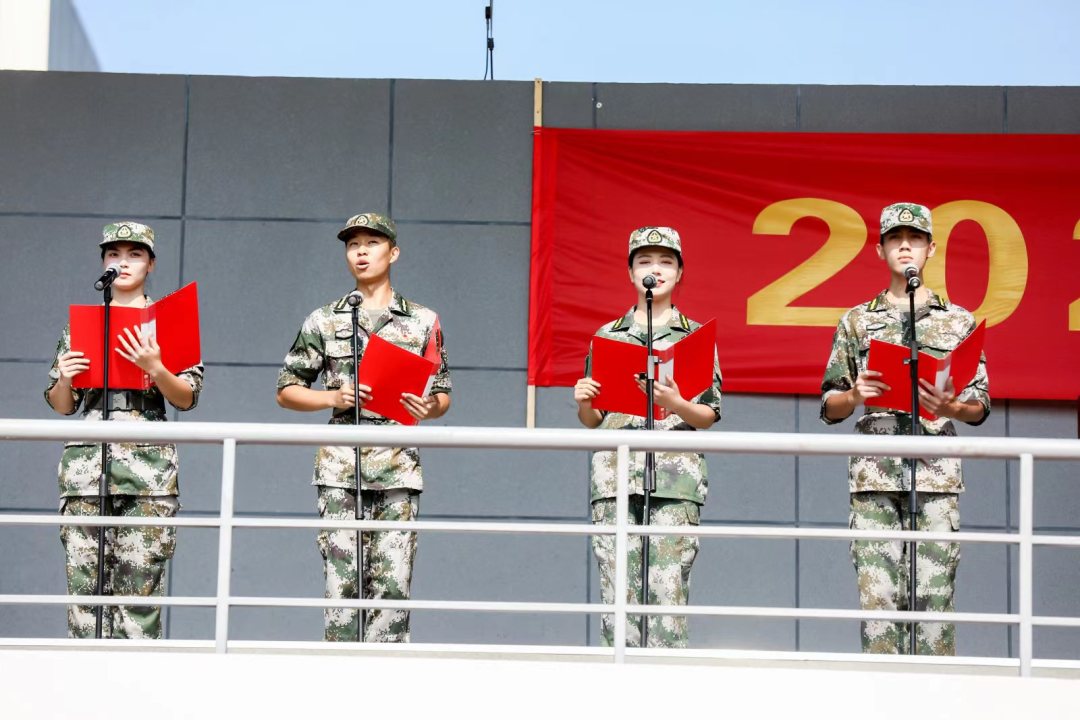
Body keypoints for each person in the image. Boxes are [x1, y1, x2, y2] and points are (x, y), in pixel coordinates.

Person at [820, 202, 990, 655]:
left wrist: (952, 406)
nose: (905, 246)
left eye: (915, 239)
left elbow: (980, 405)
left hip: (936, 475)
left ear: (931, 249)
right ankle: (882, 690)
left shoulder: (958, 319)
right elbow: (830, 405)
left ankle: (935, 690)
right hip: (874, 476)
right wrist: (855, 396)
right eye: (895, 239)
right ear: (880, 250)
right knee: (878, 603)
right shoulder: (857, 320)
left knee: (935, 602)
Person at [276, 212, 451, 643]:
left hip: (397, 463)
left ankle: (386, 678)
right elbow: (287, 389)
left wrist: (428, 407)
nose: (361, 252)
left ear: (393, 253)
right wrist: (332, 398)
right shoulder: (324, 319)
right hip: (340, 466)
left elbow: (442, 393)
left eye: (372, 244)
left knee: (393, 585)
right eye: (353, 245)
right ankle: (341, 676)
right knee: (342, 585)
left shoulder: (423, 320)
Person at [45, 222, 204, 639]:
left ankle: (137, 677)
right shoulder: (83, 324)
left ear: (151, 264)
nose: (123, 262)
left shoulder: (171, 321)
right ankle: (86, 677)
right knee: (85, 594)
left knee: (139, 593)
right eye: (113, 254)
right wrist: (65, 377)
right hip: (86, 469)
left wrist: (156, 368)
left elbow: (187, 397)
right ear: (104, 263)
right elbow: (63, 405)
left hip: (148, 471)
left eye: (135, 254)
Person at [573, 226, 722, 648]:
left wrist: (676, 402)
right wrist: (583, 400)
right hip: (616, 478)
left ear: (679, 272)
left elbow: (709, 414)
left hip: (675, 482)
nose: (655, 269)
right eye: (644, 261)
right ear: (630, 273)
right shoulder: (608, 334)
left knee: (667, 597)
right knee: (616, 595)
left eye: (665, 261)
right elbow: (593, 418)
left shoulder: (694, 336)